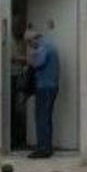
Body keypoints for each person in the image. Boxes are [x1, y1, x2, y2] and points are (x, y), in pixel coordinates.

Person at [27, 30, 59, 158]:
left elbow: (37, 63)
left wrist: (30, 57)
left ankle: (43, 148)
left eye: (29, 42)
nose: (30, 45)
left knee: (41, 118)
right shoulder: (50, 46)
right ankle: (47, 147)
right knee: (46, 118)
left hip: (44, 87)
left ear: (34, 39)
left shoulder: (43, 47)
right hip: (51, 86)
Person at [9, 25, 35, 150]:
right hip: (12, 76)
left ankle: (19, 139)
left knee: (19, 109)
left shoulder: (20, 41)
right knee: (14, 109)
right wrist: (27, 59)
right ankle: (14, 140)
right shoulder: (10, 41)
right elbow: (11, 58)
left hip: (20, 75)